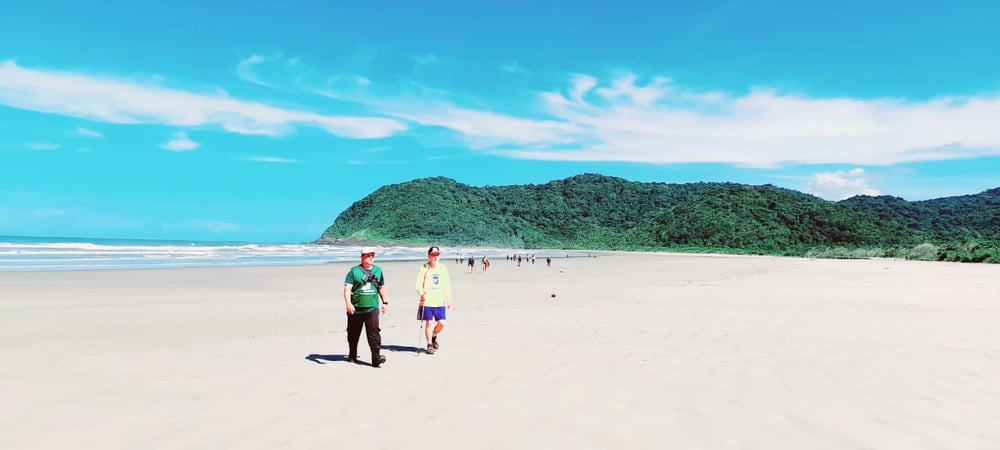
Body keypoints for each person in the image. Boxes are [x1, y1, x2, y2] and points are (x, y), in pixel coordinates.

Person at [343, 247, 388, 367]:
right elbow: (347, 289)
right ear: (362, 257)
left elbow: (381, 287)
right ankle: (352, 355)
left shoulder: (378, 270)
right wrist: (348, 304)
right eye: (368, 255)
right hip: (356, 308)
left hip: (372, 308)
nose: (371, 257)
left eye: (372, 255)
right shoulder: (353, 271)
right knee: (353, 333)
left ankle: (376, 358)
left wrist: (385, 302)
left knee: (374, 333)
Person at [416, 246, 452, 354]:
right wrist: (421, 293)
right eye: (433, 255)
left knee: (442, 323)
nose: (435, 257)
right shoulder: (424, 267)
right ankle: (429, 344)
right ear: (429, 256)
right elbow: (418, 284)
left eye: (437, 254)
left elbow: (447, 285)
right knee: (429, 324)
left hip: (440, 301)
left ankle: (434, 335)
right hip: (427, 301)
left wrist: (449, 299)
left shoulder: (443, 268)